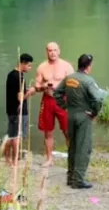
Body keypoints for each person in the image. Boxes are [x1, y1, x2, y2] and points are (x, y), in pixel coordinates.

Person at [54, 54, 104, 189]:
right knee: (83, 148)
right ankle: (78, 180)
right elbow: (98, 99)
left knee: (73, 146)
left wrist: (65, 106)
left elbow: (57, 93)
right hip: (84, 116)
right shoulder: (88, 81)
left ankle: (70, 177)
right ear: (89, 66)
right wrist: (94, 112)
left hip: (70, 114)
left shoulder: (69, 78)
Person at [33, 42, 74, 168]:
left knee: (67, 130)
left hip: (63, 100)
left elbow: (74, 84)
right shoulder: (42, 67)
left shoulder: (66, 66)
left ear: (59, 51)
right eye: (50, 50)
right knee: (48, 131)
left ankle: (72, 158)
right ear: (46, 52)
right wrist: (43, 86)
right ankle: (49, 159)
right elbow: (36, 85)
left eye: (55, 50)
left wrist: (60, 87)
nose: (53, 53)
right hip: (47, 100)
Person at [3, 53, 33, 166]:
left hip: (10, 110)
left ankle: (7, 158)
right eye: (29, 66)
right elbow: (20, 98)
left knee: (11, 134)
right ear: (23, 64)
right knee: (17, 136)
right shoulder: (20, 77)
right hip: (19, 111)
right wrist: (29, 93)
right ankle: (15, 161)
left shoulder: (11, 74)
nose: (30, 68)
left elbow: (15, 91)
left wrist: (25, 90)